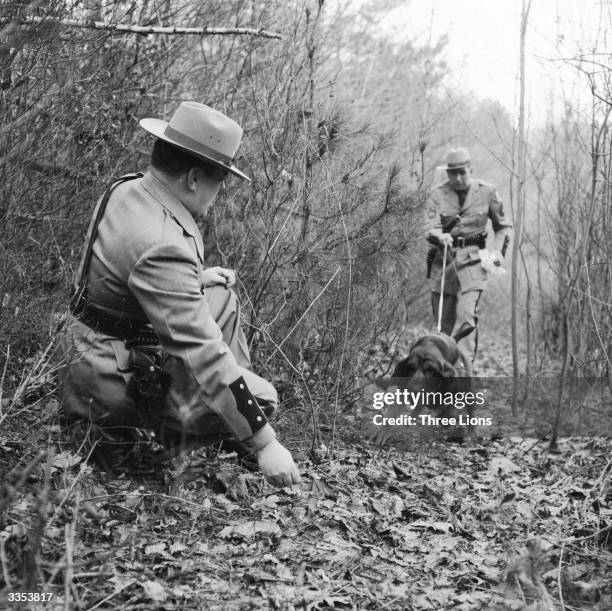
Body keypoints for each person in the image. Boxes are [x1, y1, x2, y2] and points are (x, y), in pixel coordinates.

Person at [58, 101, 301, 488]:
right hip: (111, 378)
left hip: (94, 343)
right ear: (193, 178)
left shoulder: (129, 188)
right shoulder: (163, 245)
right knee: (264, 398)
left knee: (221, 295)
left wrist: (196, 280)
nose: (218, 194)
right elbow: (203, 352)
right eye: (219, 182)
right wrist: (265, 441)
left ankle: (229, 416)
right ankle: (151, 436)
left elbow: (118, 276)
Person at [425, 147, 512, 363]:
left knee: (466, 317)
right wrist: (439, 235)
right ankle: (443, 375)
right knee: (443, 325)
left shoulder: (487, 192)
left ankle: (464, 377)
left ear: (470, 169)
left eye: (462, 172)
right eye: (452, 173)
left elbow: (503, 226)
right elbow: (429, 227)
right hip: (444, 264)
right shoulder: (436, 194)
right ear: (447, 173)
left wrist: (498, 253)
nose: (457, 178)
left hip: (474, 263)